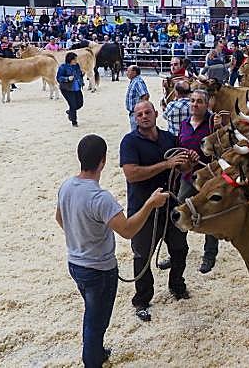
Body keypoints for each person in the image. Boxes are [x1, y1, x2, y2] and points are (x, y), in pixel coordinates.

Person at [56, 134, 169, 367]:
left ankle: (97, 352)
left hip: (75, 265)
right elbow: (127, 230)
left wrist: (82, 235)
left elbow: (60, 219)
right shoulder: (101, 198)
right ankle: (92, 361)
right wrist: (150, 203)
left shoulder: (66, 186)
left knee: (92, 313)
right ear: (103, 160)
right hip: (99, 270)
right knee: (95, 323)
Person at [120, 101, 198, 322]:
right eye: (139, 114)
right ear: (135, 118)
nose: (144, 116)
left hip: (171, 206)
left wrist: (187, 162)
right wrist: (165, 164)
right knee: (143, 256)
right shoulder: (130, 142)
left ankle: (177, 286)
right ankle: (142, 300)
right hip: (144, 210)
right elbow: (131, 174)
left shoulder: (169, 138)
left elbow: (181, 168)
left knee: (180, 249)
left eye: (147, 112)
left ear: (156, 114)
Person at [177, 90, 225, 273]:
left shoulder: (214, 124)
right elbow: (179, 145)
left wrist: (220, 129)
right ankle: (178, 249)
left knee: (209, 214)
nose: (195, 104)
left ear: (207, 105)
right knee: (180, 208)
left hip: (208, 179)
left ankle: (209, 255)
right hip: (188, 177)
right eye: (192, 101)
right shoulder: (184, 124)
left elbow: (222, 150)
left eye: (199, 102)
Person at [56, 52, 85, 127]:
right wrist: (67, 78)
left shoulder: (77, 66)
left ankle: (70, 112)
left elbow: (78, 74)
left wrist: (82, 74)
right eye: (75, 59)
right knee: (73, 105)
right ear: (70, 60)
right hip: (67, 89)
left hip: (77, 88)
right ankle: (74, 121)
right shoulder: (63, 67)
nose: (76, 61)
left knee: (80, 104)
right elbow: (59, 78)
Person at [125, 65, 150, 131]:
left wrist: (140, 109)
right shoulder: (134, 81)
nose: (126, 73)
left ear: (134, 72)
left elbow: (145, 95)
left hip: (136, 113)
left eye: (128, 71)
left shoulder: (137, 82)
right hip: (134, 112)